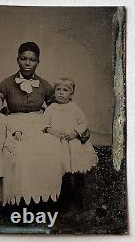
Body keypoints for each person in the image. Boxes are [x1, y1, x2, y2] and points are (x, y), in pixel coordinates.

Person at [0, 42, 63, 206]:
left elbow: (57, 107)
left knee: (51, 148)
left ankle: (44, 198)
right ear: (17, 60)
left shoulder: (44, 84)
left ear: (37, 62)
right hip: (15, 125)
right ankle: (17, 199)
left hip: (39, 124)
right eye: (23, 59)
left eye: (32, 60)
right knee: (19, 153)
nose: (27, 63)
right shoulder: (6, 83)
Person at [42, 77, 98, 210]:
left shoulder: (74, 108)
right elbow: (44, 124)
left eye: (65, 90)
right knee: (64, 172)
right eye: (58, 90)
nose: (61, 93)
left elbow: (84, 123)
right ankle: (64, 201)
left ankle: (80, 199)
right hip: (59, 144)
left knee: (78, 171)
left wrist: (75, 132)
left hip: (74, 144)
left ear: (71, 94)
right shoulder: (51, 108)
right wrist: (52, 131)